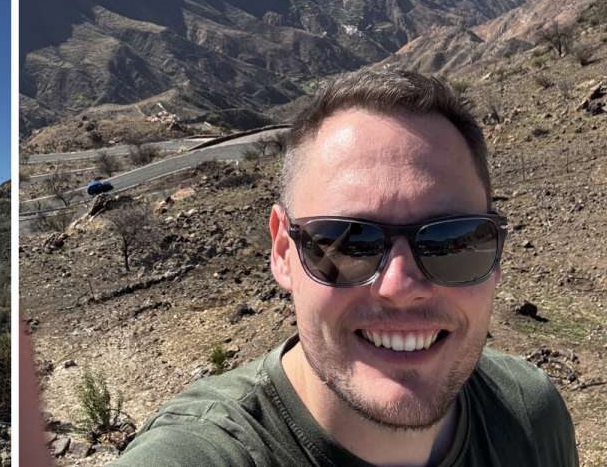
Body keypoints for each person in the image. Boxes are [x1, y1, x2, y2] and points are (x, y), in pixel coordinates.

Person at [114, 68, 578, 466]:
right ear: (282, 251)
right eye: (350, 242)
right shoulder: (198, 454)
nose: (400, 287)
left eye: (452, 241)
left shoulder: (529, 415)